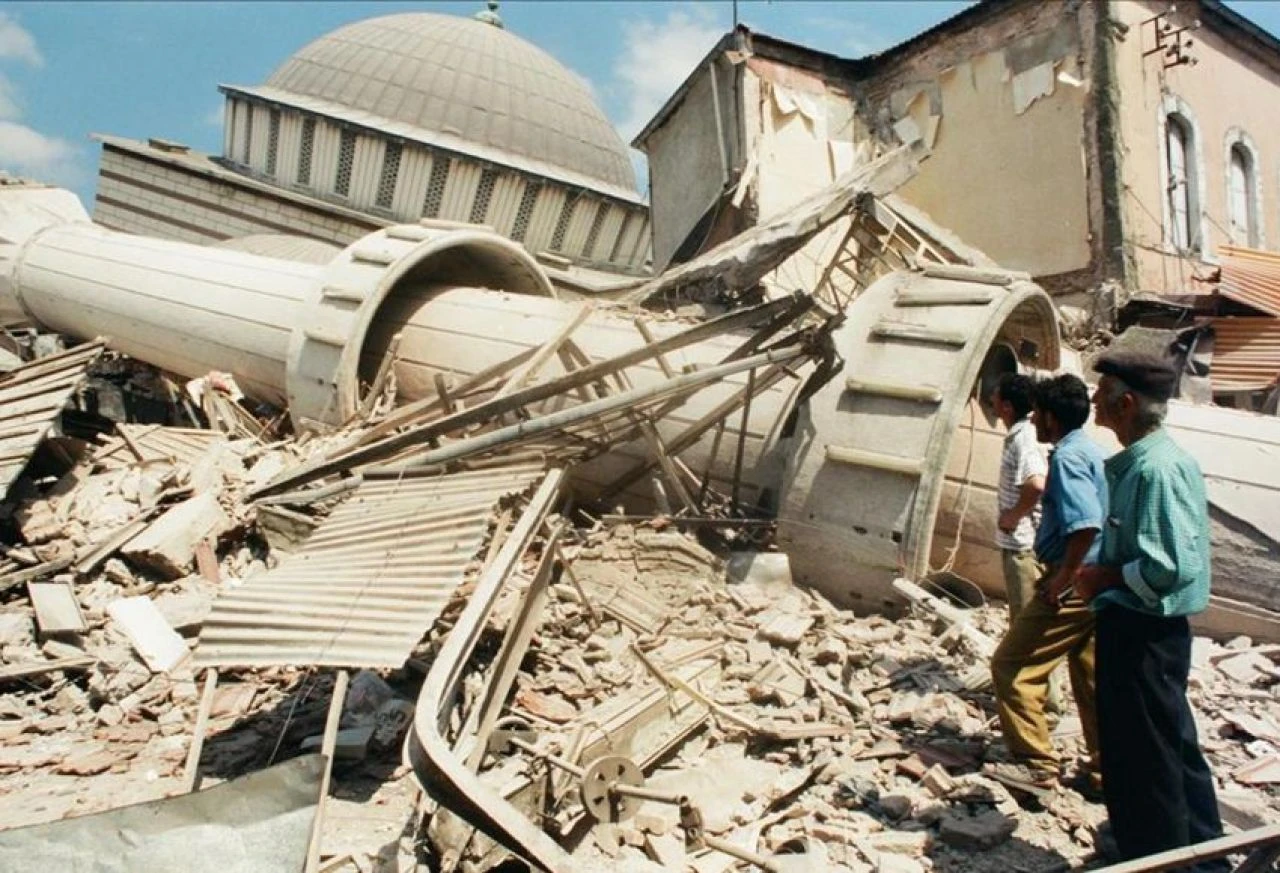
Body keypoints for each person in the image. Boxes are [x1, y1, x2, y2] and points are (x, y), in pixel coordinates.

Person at [1075, 351, 1228, 871]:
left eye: (1102, 394)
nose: (1094, 402)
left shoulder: (1154, 469)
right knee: (1172, 746)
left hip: (1142, 629)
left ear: (1127, 403)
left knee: (1143, 758)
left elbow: (1169, 567)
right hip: (1151, 633)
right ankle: (1205, 855)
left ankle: (1159, 860)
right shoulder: (1153, 460)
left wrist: (1104, 577)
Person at [988, 374, 1106, 794]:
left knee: (1012, 665)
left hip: (1073, 583)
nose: (1033, 418)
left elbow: (1085, 523)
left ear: (1051, 418)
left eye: (1039, 412)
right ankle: (1103, 772)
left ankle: (1036, 765)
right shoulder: (1091, 450)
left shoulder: (1069, 458)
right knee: (1091, 679)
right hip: (1096, 585)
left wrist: (1062, 579)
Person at [992, 373, 1047, 618]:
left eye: (995, 394)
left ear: (1007, 406)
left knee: (1024, 621)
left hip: (1022, 545)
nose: (990, 397)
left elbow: (1035, 484)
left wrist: (1013, 517)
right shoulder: (1021, 433)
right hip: (1020, 543)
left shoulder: (1024, 437)